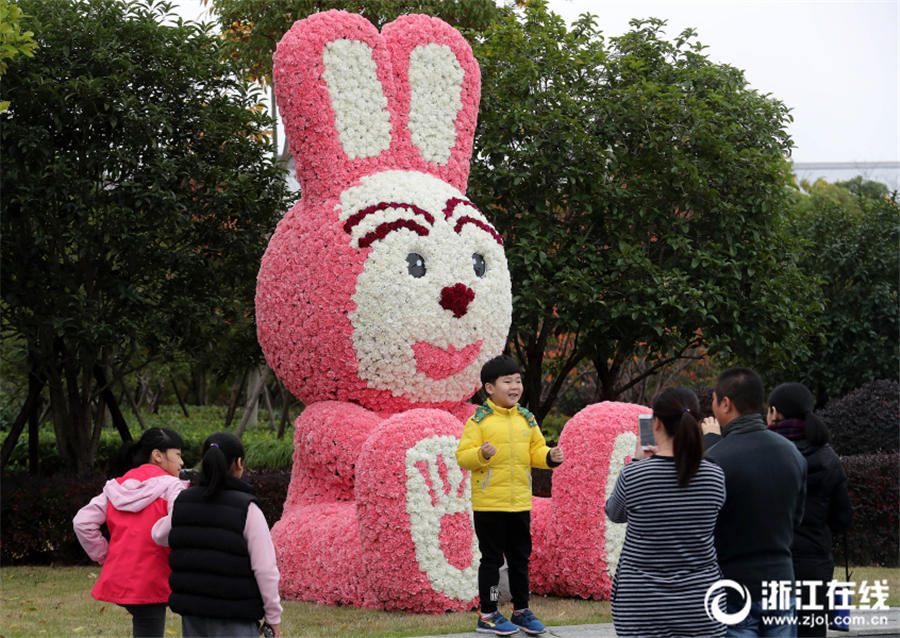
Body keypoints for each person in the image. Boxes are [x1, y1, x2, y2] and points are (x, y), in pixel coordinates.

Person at [605, 387, 727, 638]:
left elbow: (615, 513)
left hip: (641, 607)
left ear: (656, 423)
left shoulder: (635, 475)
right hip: (701, 603)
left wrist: (639, 461)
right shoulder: (715, 476)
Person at [456, 355, 564, 636]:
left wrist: (549, 457)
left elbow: (535, 452)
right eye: (508, 381)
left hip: (519, 504)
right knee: (491, 561)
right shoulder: (479, 421)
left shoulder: (526, 419)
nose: (515, 386)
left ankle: (521, 610)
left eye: (518, 380)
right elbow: (463, 457)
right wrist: (481, 454)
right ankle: (489, 613)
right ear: (490, 388)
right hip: (490, 505)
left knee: (520, 560)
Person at [705, 368, 807, 637]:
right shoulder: (792, 453)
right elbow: (796, 518)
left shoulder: (715, 459)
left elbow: (703, 528)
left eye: (714, 401)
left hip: (733, 589)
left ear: (726, 403)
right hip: (781, 582)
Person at [152, 432, 282, 638]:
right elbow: (265, 569)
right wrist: (273, 618)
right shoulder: (247, 508)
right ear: (239, 463)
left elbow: (159, 534)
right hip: (236, 614)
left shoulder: (183, 501)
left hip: (193, 612)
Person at [73, 427, 188, 638]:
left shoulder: (115, 487)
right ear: (158, 455)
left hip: (120, 576)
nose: (182, 463)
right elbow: (178, 521)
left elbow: (82, 522)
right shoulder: (172, 487)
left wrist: (104, 555)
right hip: (153, 577)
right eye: (178, 455)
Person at [767, 382, 852, 637]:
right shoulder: (828, 458)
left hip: (772, 562)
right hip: (815, 565)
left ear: (774, 412)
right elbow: (843, 517)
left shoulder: (767, 453)